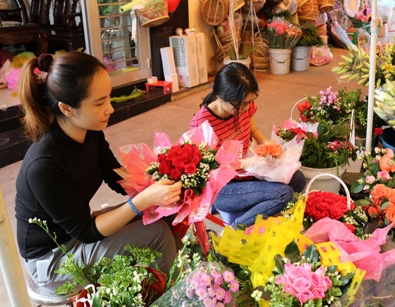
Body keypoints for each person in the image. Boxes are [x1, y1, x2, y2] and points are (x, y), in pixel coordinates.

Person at [15, 52, 181, 291]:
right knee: (157, 233)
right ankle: (175, 296)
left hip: (77, 232)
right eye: (99, 103)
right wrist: (141, 201)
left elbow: (117, 178)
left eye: (109, 98)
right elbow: (86, 231)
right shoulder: (44, 164)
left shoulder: (90, 133)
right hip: (54, 259)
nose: (110, 109)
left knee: (160, 213)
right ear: (67, 108)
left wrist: (161, 177)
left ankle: (157, 286)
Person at [190, 62, 306, 229]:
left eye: (250, 102)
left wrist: (267, 145)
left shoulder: (243, 106)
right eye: (243, 104)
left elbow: (254, 131)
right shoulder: (202, 124)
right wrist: (245, 163)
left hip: (248, 174)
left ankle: (258, 210)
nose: (247, 108)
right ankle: (234, 230)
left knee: (298, 179)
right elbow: (209, 168)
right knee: (284, 194)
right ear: (221, 98)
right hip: (223, 188)